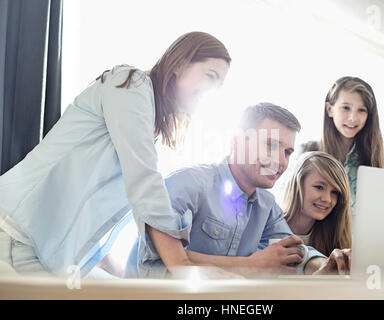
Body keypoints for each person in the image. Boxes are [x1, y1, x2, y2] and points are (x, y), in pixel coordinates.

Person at [0, 31, 231, 278]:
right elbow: (145, 183)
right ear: (181, 64)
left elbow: (90, 210)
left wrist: (116, 272)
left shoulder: (144, 122)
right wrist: (180, 264)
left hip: (40, 246)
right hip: (17, 231)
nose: (212, 90)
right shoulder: (131, 84)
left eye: (218, 85)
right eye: (210, 76)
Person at [125, 103, 350, 279]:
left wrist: (325, 265)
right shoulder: (188, 184)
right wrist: (252, 266)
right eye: (270, 145)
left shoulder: (267, 206)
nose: (280, 161)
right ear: (237, 142)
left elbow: (297, 253)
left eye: (288, 151)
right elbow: (155, 261)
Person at [279, 76, 384, 216]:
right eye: (346, 108)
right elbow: (285, 204)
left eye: (362, 110)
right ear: (330, 109)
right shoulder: (306, 152)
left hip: (355, 237)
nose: (353, 118)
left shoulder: (374, 158)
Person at [281, 151, 352, 259]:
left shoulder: (335, 239)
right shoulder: (268, 227)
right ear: (298, 184)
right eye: (319, 187)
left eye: (334, 192)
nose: (327, 199)